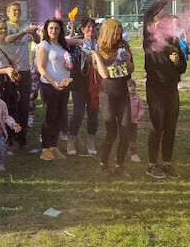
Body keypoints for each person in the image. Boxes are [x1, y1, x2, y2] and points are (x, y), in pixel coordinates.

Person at [142, 0, 186, 179]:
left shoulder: (174, 41)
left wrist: (177, 62)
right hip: (156, 89)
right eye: (160, 22)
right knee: (157, 126)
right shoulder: (149, 38)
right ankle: (152, 165)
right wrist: (166, 0)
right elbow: (148, 14)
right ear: (154, 24)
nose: (164, 25)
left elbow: (183, 67)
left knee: (170, 127)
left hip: (171, 90)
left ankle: (167, 164)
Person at [91, 18, 134, 177]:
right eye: (115, 34)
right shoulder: (99, 50)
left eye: (119, 34)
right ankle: (103, 164)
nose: (117, 37)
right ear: (108, 33)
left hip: (122, 93)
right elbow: (104, 74)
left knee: (125, 131)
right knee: (111, 131)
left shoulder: (123, 46)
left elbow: (131, 70)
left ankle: (119, 165)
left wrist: (128, 60)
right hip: (107, 93)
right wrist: (96, 56)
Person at [36, 17, 72, 161]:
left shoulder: (63, 46)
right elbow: (41, 67)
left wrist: (68, 66)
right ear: (46, 29)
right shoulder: (44, 45)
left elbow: (66, 62)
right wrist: (53, 82)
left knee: (59, 116)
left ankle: (53, 146)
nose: (54, 31)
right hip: (49, 85)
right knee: (49, 116)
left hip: (63, 84)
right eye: (51, 28)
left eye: (56, 28)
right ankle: (45, 148)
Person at [4, 2, 39, 150]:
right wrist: (23, 33)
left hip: (25, 70)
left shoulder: (26, 24)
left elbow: (38, 41)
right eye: (14, 11)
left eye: (19, 11)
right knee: (11, 105)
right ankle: (10, 138)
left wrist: (34, 32)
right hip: (11, 70)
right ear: (8, 13)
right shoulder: (5, 26)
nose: (17, 13)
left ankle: (22, 138)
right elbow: (7, 40)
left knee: (24, 105)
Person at [66, 18, 100, 156]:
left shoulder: (99, 43)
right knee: (78, 113)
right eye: (88, 27)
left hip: (95, 82)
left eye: (93, 27)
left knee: (93, 113)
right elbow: (64, 42)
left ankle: (90, 142)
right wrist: (80, 41)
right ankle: (71, 141)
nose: (91, 30)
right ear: (82, 29)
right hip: (78, 82)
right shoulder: (76, 44)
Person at [128, 79, 145, 163]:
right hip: (124, 122)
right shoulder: (124, 98)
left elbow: (141, 108)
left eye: (134, 86)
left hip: (134, 122)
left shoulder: (137, 99)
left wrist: (140, 115)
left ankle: (134, 154)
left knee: (133, 139)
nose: (132, 88)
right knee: (122, 138)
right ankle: (120, 154)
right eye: (130, 86)